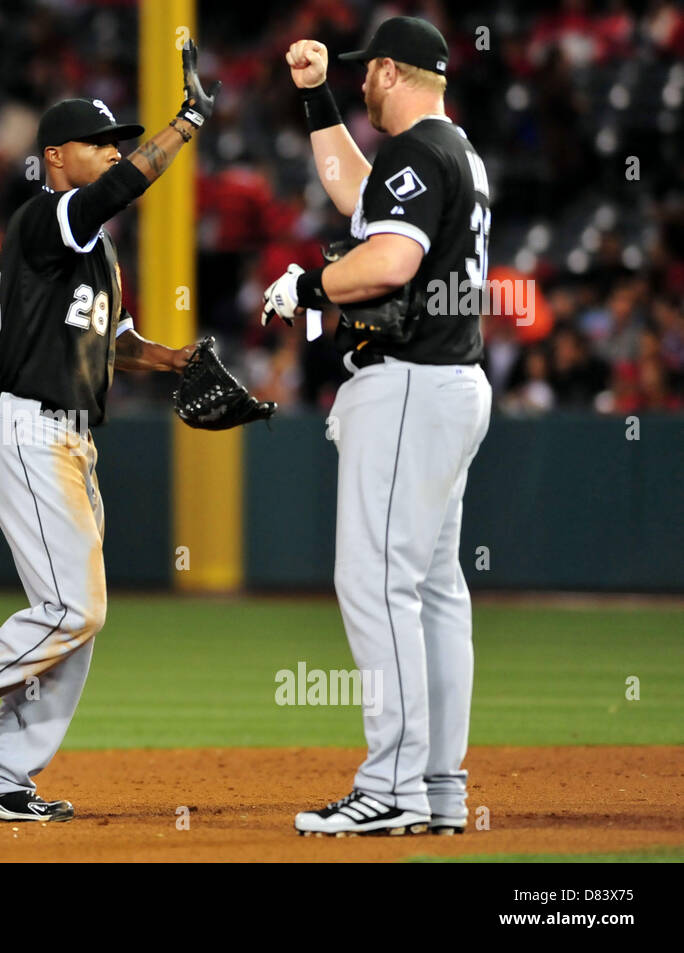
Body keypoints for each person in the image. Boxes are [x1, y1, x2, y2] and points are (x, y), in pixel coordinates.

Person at [0, 43, 216, 823]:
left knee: (76, 618)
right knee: (74, 607)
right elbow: (120, 187)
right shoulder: (48, 217)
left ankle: (5, 772)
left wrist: (176, 361)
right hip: (27, 428)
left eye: (118, 139)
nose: (111, 150)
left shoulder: (93, 250)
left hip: (72, 441)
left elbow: (113, 342)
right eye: (99, 142)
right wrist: (185, 125)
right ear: (54, 157)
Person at [263, 17, 493, 836]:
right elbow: (358, 195)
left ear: (392, 72)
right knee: (434, 592)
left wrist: (313, 285)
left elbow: (389, 261)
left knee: (377, 583)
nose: (362, 85)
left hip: (407, 385)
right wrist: (317, 98)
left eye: (366, 75)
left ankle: (392, 784)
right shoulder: (452, 151)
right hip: (451, 382)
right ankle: (436, 784)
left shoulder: (419, 152)